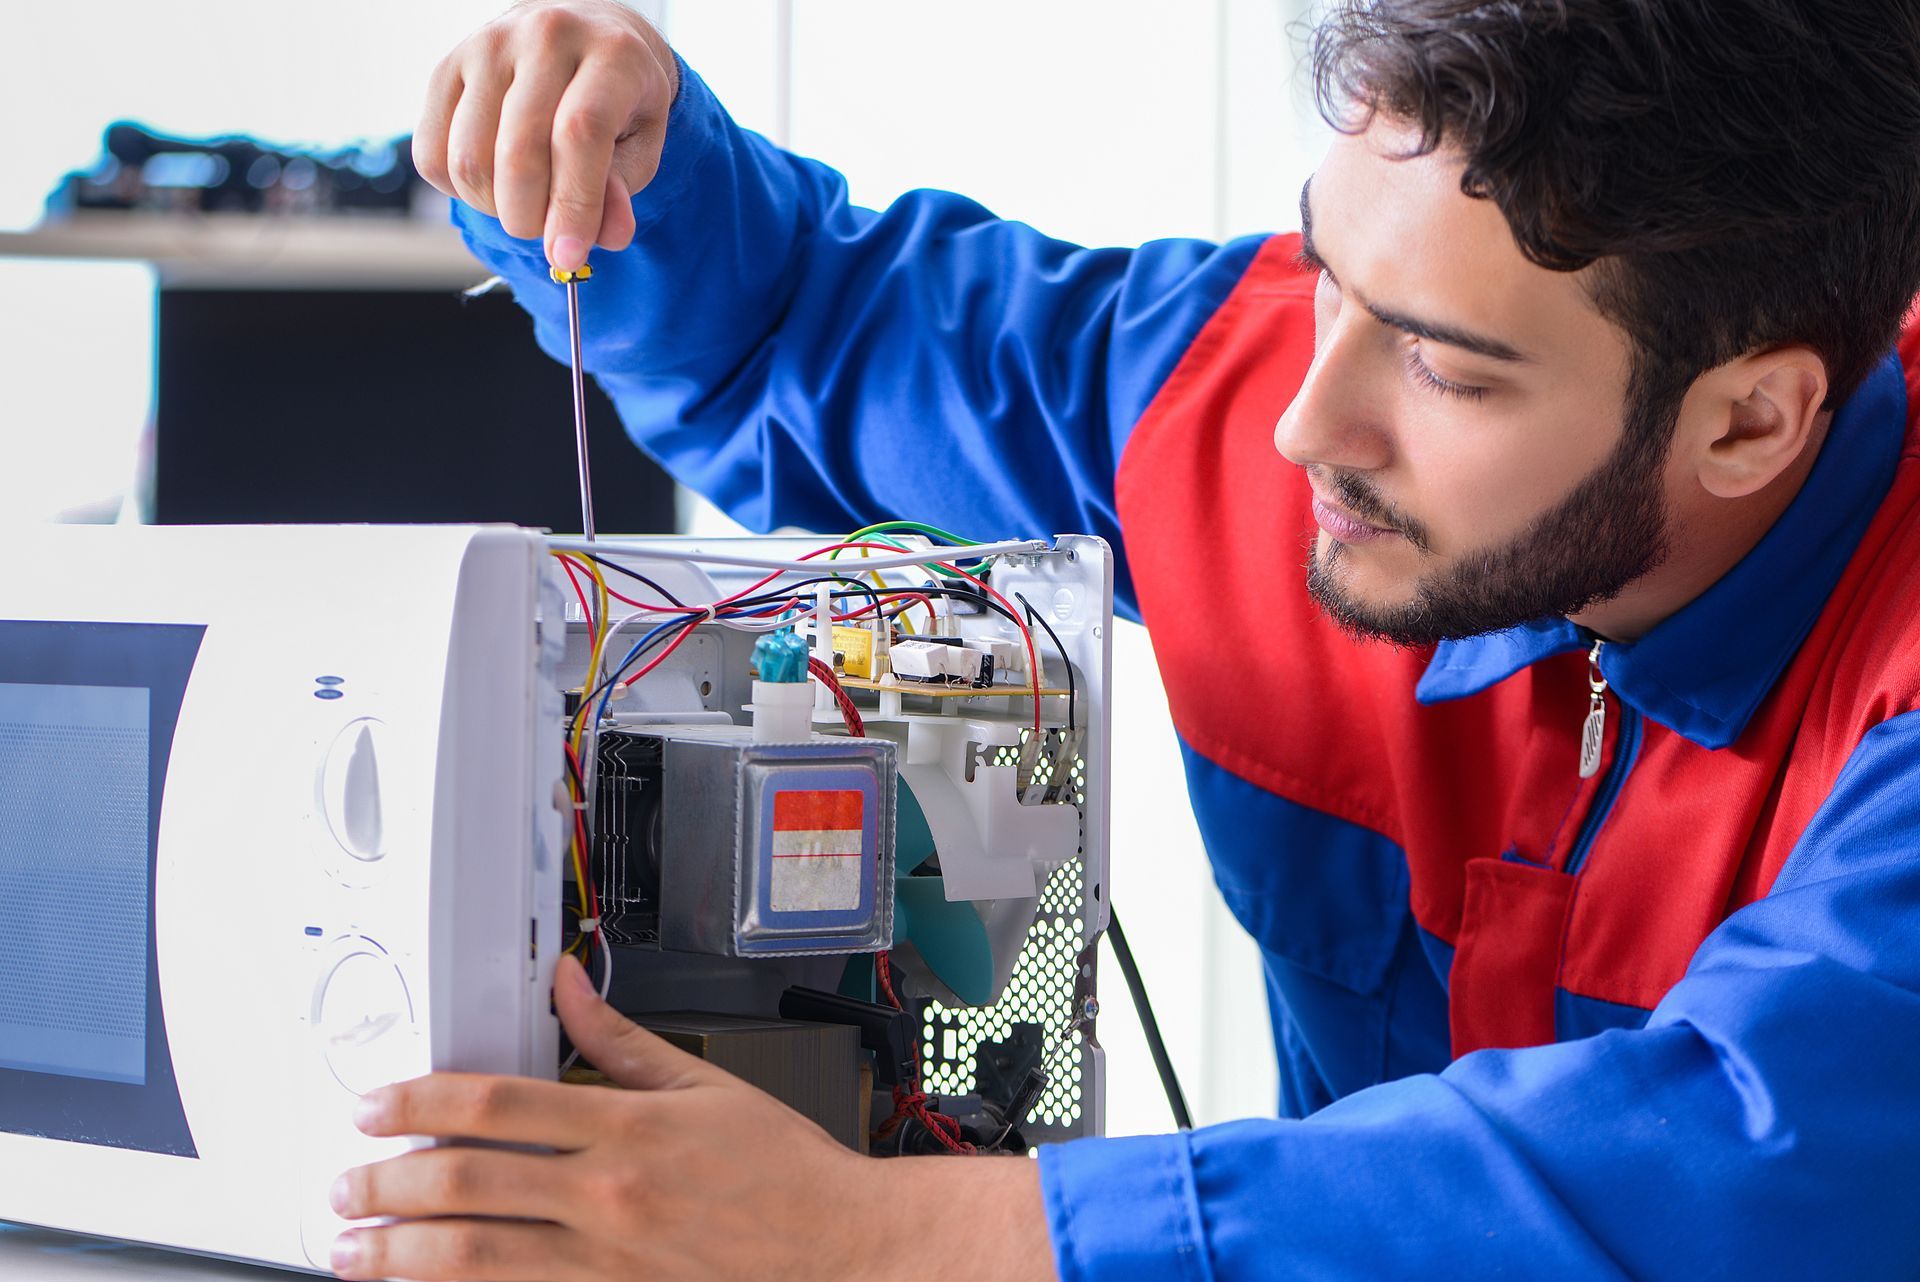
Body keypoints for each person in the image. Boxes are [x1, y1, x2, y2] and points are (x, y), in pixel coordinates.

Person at [326, 2, 1920, 1278]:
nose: (1305, 420)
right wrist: (629, 158)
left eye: (1444, 368)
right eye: (1326, 273)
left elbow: (1758, 1165)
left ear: (1753, 418)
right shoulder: (1240, 402)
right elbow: (805, 319)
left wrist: (870, 1240)